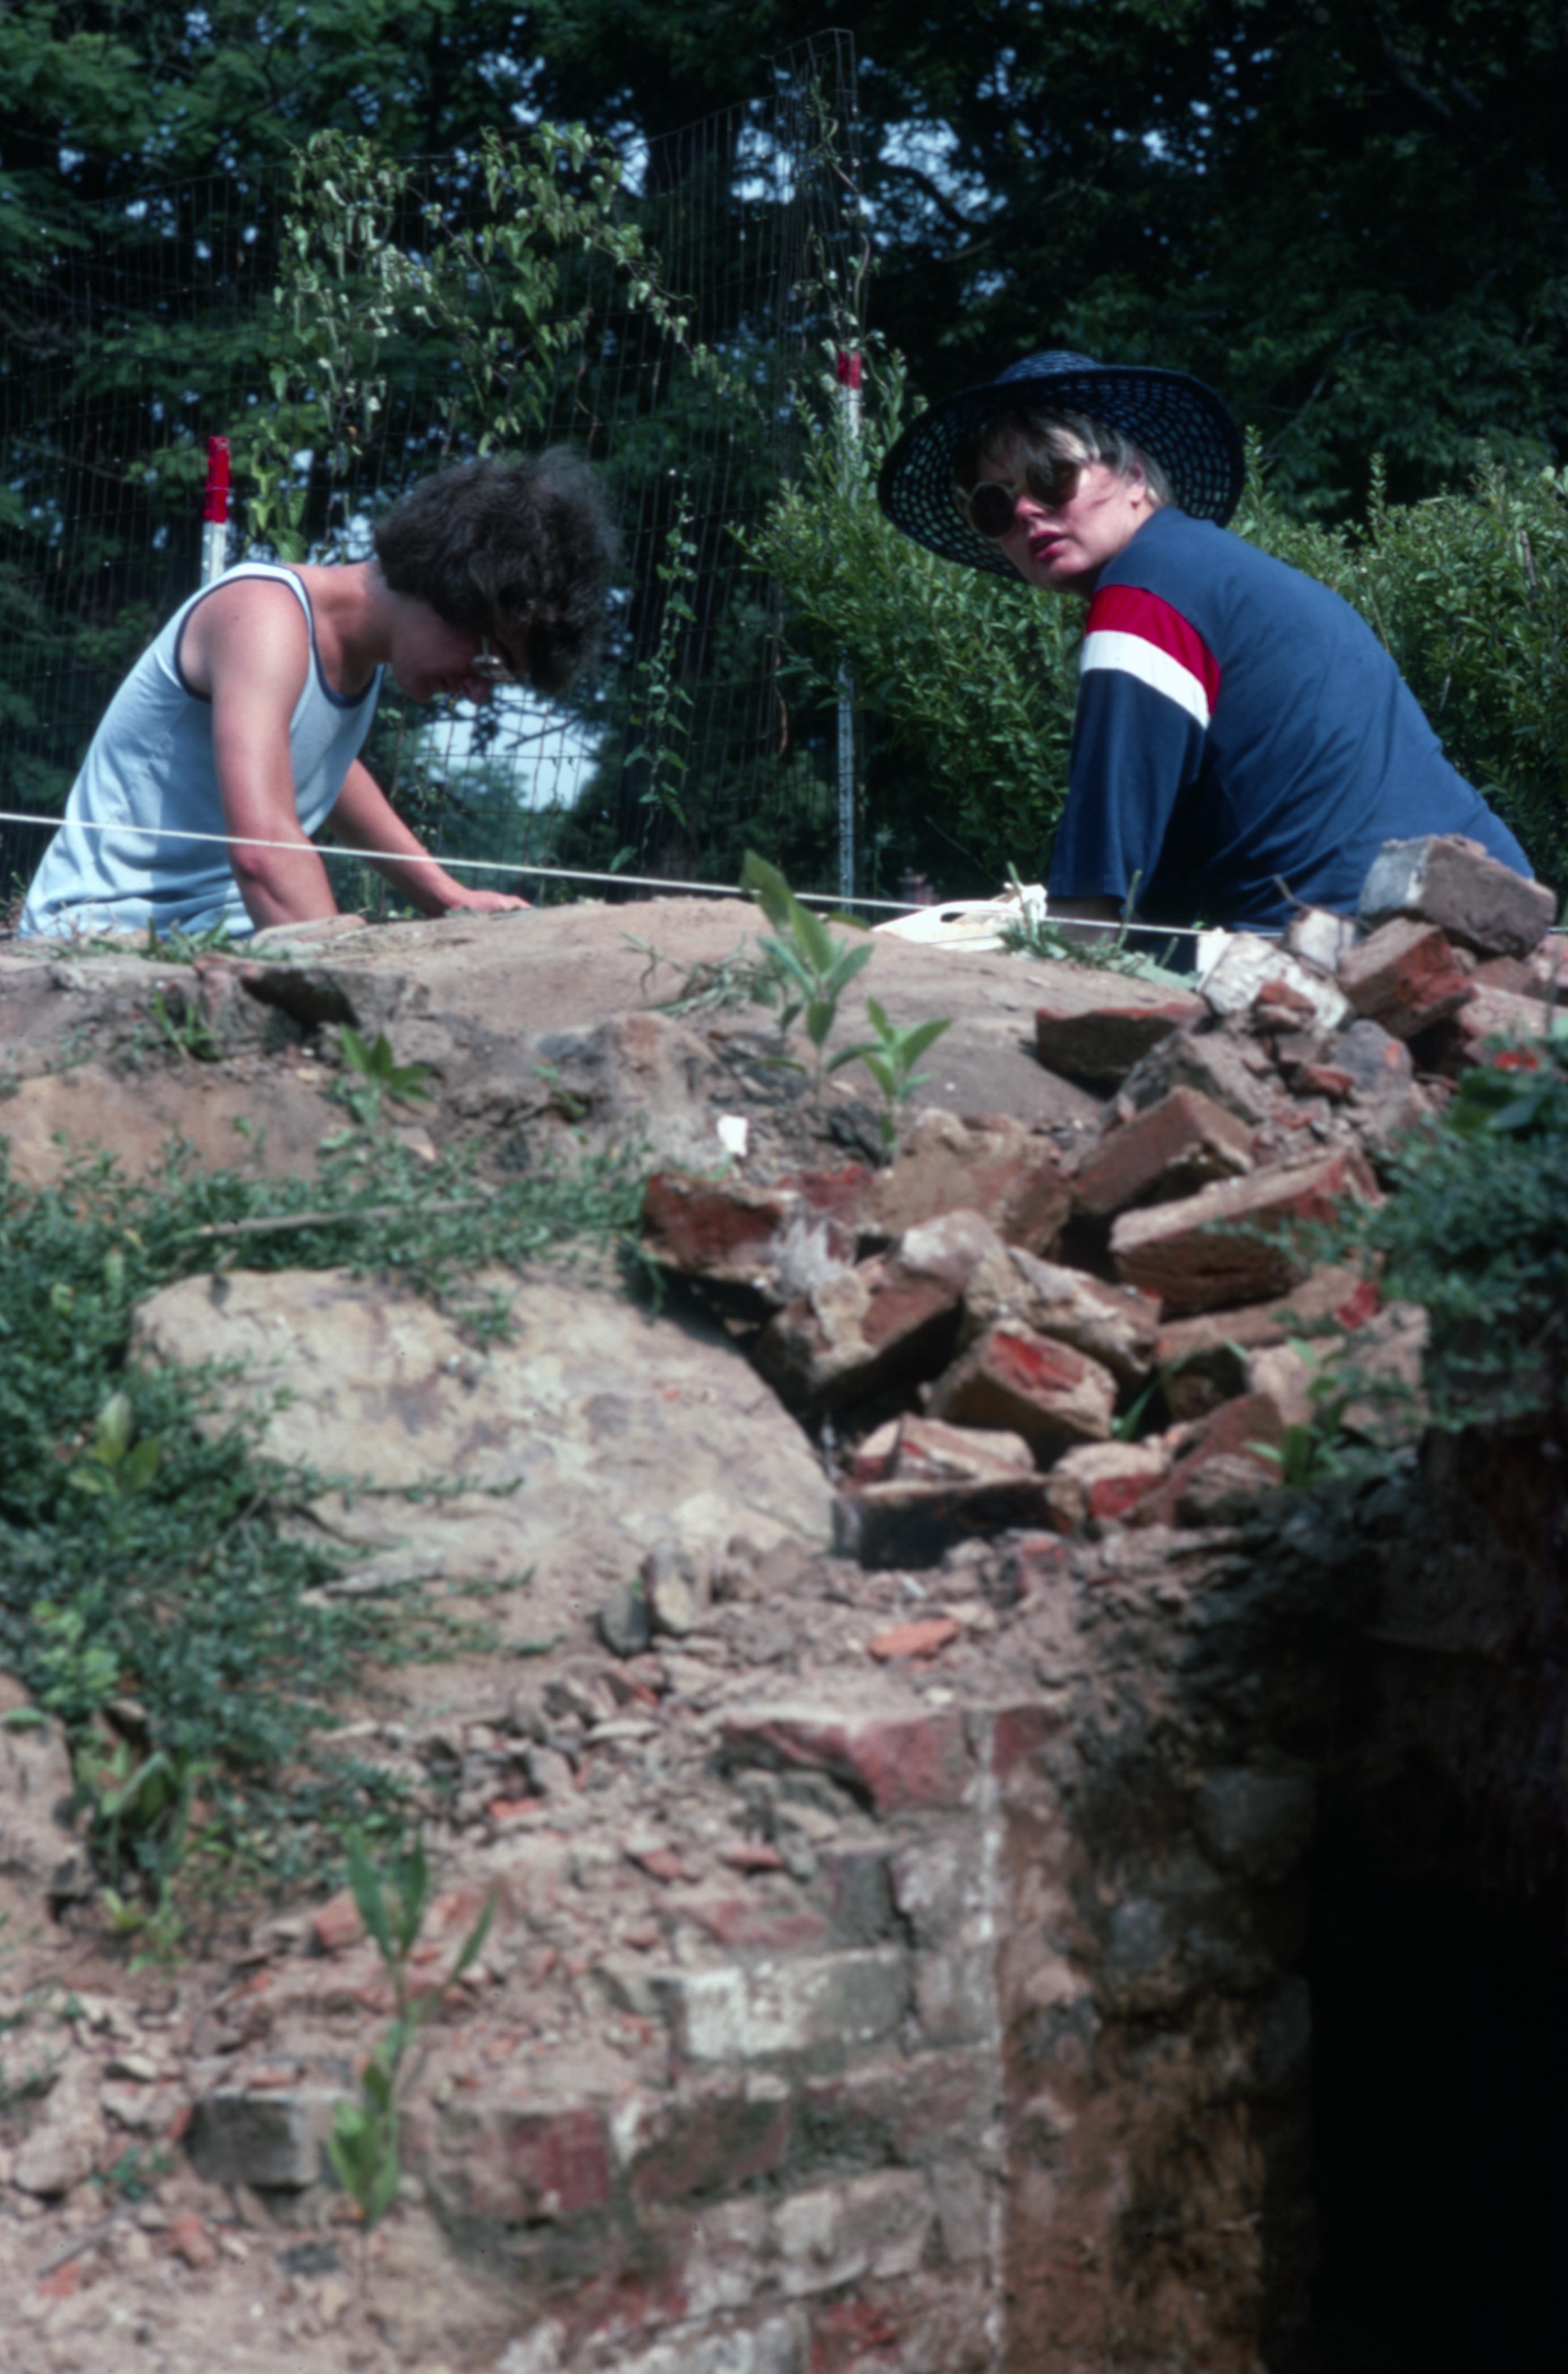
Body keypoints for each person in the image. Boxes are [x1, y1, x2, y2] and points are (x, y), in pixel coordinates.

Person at [876, 350, 1532, 935]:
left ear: (1135, 475)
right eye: (994, 506)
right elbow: (1157, 881)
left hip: (1372, 944)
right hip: (1487, 908)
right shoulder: (1206, 571)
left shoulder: (1145, 596)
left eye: (1051, 476)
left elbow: (1093, 906)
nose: (1025, 511)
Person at [20, 451, 616, 940]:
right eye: (490, 657)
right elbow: (263, 853)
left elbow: (320, 764)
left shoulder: (357, 659)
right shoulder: (263, 616)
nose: (480, 692)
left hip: (215, 933)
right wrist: (339, 977)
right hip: (103, 930)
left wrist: (446, 895)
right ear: (454, 587)